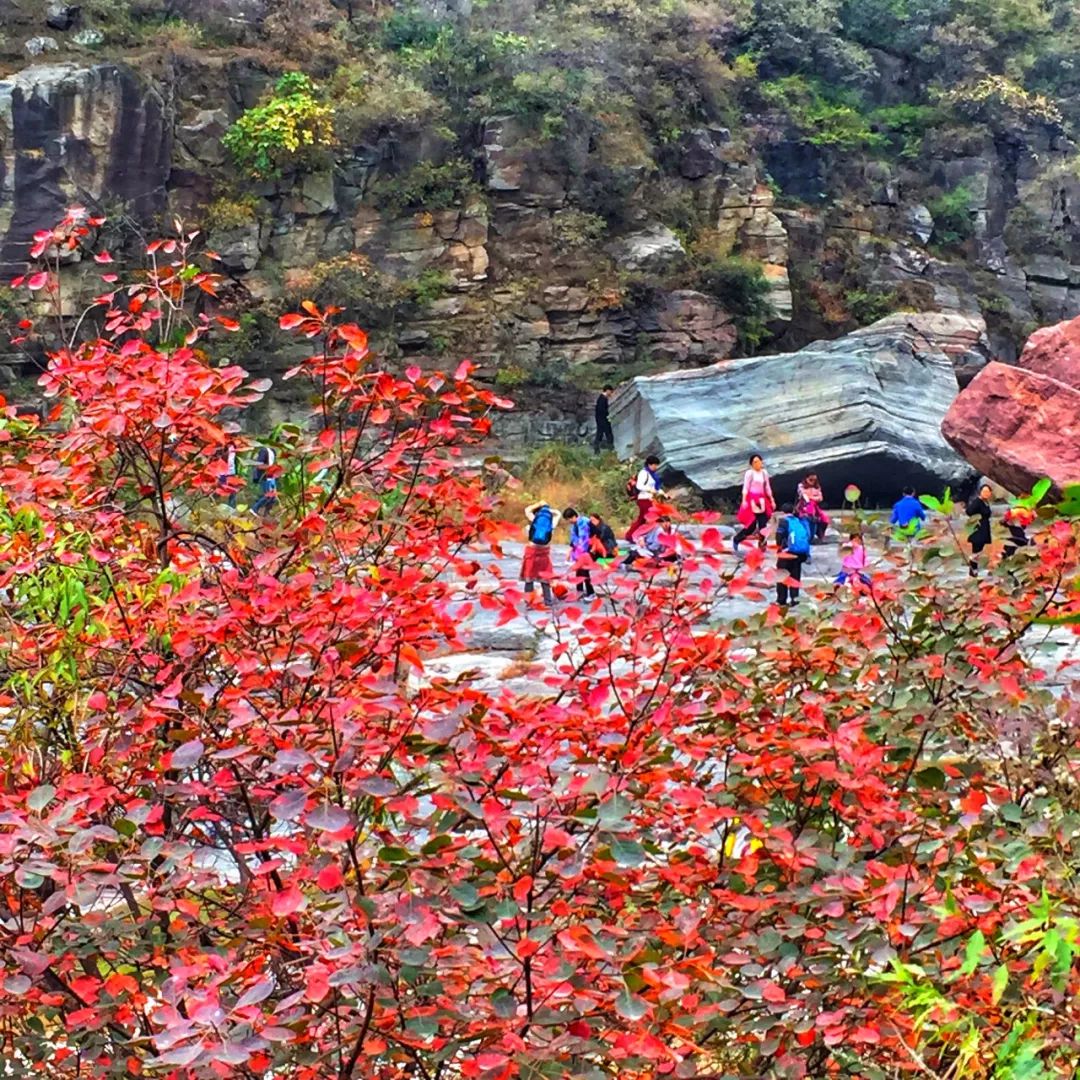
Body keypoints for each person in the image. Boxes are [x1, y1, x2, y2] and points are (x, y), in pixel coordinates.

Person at [521, 501, 562, 605]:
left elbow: (527, 509)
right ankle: (548, 601)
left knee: (529, 577)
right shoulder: (551, 522)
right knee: (545, 577)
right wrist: (549, 510)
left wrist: (539, 505)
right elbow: (558, 513)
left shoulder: (534, 519)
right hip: (544, 553)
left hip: (532, 551)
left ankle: (529, 601)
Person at [733, 453, 775, 553]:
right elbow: (746, 487)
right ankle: (737, 539)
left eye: (759, 461)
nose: (757, 464)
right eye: (755, 462)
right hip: (752, 499)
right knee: (751, 525)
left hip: (762, 499)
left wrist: (771, 499)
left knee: (763, 525)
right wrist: (744, 500)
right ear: (752, 464)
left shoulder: (764, 473)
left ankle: (762, 546)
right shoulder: (749, 473)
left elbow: (767, 487)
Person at [774, 503, 811, 607]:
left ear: (782, 512)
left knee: (782, 575)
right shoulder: (798, 521)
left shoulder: (783, 522)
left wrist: (779, 548)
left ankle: (781, 600)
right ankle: (795, 599)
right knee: (795, 576)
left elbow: (779, 538)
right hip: (799, 553)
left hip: (787, 553)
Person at [626, 454, 663, 546]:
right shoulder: (644, 473)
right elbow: (639, 486)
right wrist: (650, 490)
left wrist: (663, 494)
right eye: (655, 465)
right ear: (650, 465)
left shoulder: (653, 475)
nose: (656, 467)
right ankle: (633, 536)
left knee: (642, 519)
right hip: (643, 499)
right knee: (648, 518)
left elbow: (656, 488)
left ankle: (631, 535)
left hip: (650, 498)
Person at [564, 506, 595, 597]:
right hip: (580, 552)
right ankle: (579, 590)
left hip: (587, 551)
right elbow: (574, 539)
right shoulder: (575, 525)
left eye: (569, 519)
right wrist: (571, 551)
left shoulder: (584, 523)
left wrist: (579, 554)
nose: (569, 521)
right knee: (579, 572)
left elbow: (584, 540)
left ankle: (591, 592)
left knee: (584, 572)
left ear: (573, 516)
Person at [966, 482, 993, 577]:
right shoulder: (978, 501)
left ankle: (974, 570)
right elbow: (969, 511)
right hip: (978, 529)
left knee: (979, 550)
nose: (986, 493)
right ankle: (973, 570)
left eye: (988, 491)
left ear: (990, 493)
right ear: (980, 492)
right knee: (976, 550)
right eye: (984, 491)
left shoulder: (985, 502)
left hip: (984, 528)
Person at [795, 472, 829, 542]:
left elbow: (820, 498)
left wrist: (810, 497)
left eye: (815, 480)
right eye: (811, 480)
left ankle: (820, 534)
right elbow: (803, 496)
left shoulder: (817, 487)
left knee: (824, 519)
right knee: (808, 533)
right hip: (804, 510)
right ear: (806, 479)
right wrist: (813, 497)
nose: (813, 482)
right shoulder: (801, 486)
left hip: (815, 510)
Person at [251, 444, 278, 516]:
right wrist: (270, 467)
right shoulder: (264, 451)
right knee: (268, 495)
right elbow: (259, 466)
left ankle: (267, 513)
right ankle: (254, 508)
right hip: (265, 477)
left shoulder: (273, 452)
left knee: (273, 497)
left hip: (271, 476)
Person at [593, 385, 614, 453]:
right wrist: (607, 416)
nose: (611, 393)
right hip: (603, 419)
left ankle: (597, 449)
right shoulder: (602, 399)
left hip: (600, 419)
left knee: (600, 434)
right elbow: (602, 410)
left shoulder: (601, 398)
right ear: (607, 390)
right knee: (608, 434)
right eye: (611, 391)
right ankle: (610, 449)